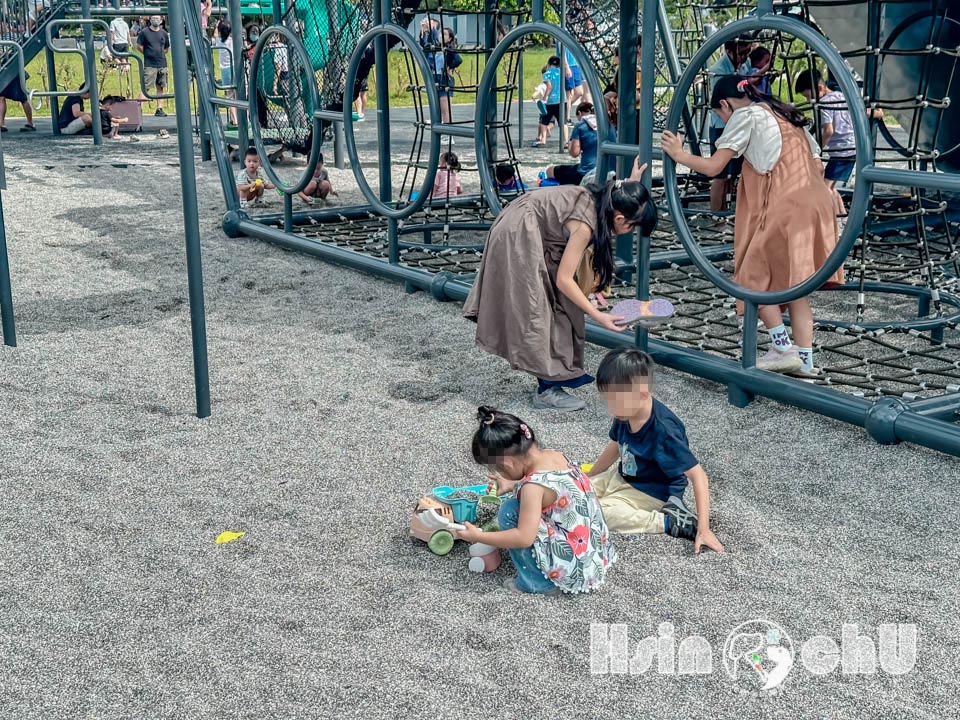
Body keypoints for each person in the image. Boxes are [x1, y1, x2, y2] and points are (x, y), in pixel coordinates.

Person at [661, 76, 844, 376]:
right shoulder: (784, 113)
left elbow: (715, 167)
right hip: (816, 201)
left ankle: (782, 346)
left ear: (725, 104)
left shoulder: (746, 115)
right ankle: (806, 362)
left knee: (749, 278)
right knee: (796, 288)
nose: (721, 120)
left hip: (786, 203)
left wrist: (680, 155)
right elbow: (817, 163)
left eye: (719, 115)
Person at [463, 159, 673, 412]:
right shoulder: (585, 226)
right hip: (519, 231)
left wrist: (632, 183)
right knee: (537, 308)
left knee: (560, 305)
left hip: (534, 227)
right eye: (633, 227)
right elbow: (563, 280)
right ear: (620, 218)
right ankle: (547, 390)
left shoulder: (609, 197)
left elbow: (621, 192)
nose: (631, 232)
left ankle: (552, 381)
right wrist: (598, 315)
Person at [457, 406, 616, 594]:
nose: (500, 473)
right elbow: (546, 484)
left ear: (507, 463)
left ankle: (536, 583)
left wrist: (478, 536)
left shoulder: (533, 487)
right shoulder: (554, 455)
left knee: (510, 511)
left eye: (499, 469)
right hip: (591, 554)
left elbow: (523, 537)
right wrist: (513, 482)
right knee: (519, 504)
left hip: (570, 567)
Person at [586, 348, 724, 553]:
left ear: (642, 394)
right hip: (622, 476)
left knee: (599, 513)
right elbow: (616, 445)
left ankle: (668, 522)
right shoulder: (626, 411)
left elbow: (699, 476)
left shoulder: (664, 430)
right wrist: (591, 474)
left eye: (615, 402)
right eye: (608, 401)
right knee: (577, 491)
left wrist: (704, 529)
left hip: (652, 491)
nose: (611, 409)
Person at [794, 67, 882, 189]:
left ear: (819, 88)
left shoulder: (824, 104)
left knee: (825, 188)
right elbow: (862, 111)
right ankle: (839, 209)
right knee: (831, 189)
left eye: (809, 96)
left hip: (842, 152)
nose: (809, 101)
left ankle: (829, 208)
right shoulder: (842, 96)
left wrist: (816, 149)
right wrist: (878, 113)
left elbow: (828, 131)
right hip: (851, 148)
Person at [707, 38, 753, 211]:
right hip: (722, 127)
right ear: (729, 51)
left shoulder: (745, 63)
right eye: (742, 52)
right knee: (720, 174)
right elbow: (723, 102)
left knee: (734, 173)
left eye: (747, 52)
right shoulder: (719, 71)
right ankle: (716, 214)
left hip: (738, 125)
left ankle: (726, 209)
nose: (745, 57)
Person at [545, 101, 613, 186]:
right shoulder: (610, 124)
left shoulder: (581, 125)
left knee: (550, 170)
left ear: (580, 113)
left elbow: (574, 153)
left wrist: (570, 143)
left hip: (586, 172)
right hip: (609, 171)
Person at [137, 15, 170, 117]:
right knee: (146, 86)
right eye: (153, 18)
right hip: (149, 64)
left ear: (161, 20)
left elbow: (166, 48)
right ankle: (138, 109)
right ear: (150, 20)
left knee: (160, 86)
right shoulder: (144, 32)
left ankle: (159, 108)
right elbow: (139, 46)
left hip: (162, 63)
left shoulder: (164, 33)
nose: (155, 20)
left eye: (157, 18)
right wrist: (148, 54)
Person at [532, 56, 562, 147]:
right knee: (553, 122)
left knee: (542, 122)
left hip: (546, 105)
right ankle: (548, 129)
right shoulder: (557, 77)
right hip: (557, 101)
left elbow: (536, 93)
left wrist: (535, 97)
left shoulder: (542, 85)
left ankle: (540, 136)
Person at [214, 21, 237, 126]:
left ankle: (234, 119)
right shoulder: (232, 41)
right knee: (236, 94)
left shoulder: (219, 41)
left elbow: (215, 34)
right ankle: (239, 118)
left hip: (225, 70)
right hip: (234, 68)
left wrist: (217, 25)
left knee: (229, 95)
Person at [561, 46, 585, 120]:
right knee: (569, 94)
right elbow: (562, 52)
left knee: (579, 92)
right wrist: (566, 66)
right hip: (568, 65)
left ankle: (563, 108)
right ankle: (567, 117)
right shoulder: (561, 37)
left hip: (575, 65)